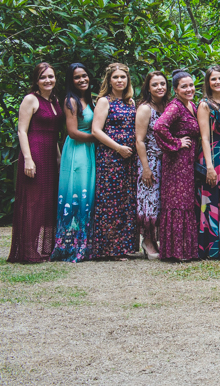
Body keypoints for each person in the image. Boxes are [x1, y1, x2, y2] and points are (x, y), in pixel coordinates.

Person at [9, 63, 62, 263]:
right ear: (36, 80)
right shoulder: (30, 99)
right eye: (43, 77)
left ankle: (45, 248)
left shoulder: (55, 100)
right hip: (35, 153)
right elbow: (22, 130)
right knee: (33, 201)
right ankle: (28, 250)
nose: (48, 80)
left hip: (50, 154)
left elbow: (53, 133)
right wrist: (28, 159)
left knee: (48, 201)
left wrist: (59, 157)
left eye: (51, 76)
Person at [89, 63, 139, 259]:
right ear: (109, 80)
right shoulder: (104, 101)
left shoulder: (131, 102)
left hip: (129, 158)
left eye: (123, 77)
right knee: (111, 201)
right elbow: (96, 130)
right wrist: (118, 148)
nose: (120, 80)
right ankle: (109, 248)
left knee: (127, 200)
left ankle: (125, 246)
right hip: (110, 157)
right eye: (116, 77)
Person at [152, 70, 200, 261]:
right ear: (176, 90)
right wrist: (176, 143)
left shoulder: (191, 105)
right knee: (177, 203)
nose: (189, 89)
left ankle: (185, 250)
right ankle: (175, 251)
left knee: (186, 202)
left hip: (188, 162)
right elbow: (159, 126)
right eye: (184, 86)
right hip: (176, 163)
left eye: (191, 85)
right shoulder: (175, 107)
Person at [51, 63, 97, 262]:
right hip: (78, 150)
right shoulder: (71, 101)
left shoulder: (90, 99)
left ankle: (87, 243)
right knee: (78, 193)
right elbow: (72, 132)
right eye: (77, 77)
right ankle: (71, 245)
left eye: (84, 76)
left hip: (89, 150)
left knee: (89, 192)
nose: (82, 80)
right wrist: (99, 137)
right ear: (71, 80)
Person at [197, 66, 220, 260]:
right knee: (211, 202)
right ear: (208, 83)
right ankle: (210, 248)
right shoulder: (205, 105)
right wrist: (209, 167)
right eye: (213, 79)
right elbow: (204, 137)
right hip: (213, 154)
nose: (218, 82)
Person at [133, 70, 168, 260]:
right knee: (149, 201)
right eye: (155, 84)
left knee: (160, 202)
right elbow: (139, 140)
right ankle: (147, 241)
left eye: (162, 83)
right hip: (150, 161)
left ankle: (157, 240)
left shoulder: (167, 106)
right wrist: (146, 168)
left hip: (166, 161)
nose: (159, 87)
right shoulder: (145, 108)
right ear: (148, 87)